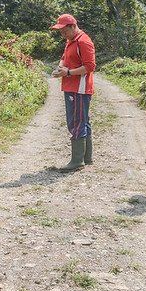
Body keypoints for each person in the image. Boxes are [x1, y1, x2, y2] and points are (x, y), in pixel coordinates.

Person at [50, 14, 96, 172]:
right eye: (60, 32)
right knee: (82, 120)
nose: (62, 34)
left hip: (79, 88)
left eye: (64, 31)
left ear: (72, 26)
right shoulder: (71, 41)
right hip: (71, 86)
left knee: (76, 122)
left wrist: (68, 72)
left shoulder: (83, 41)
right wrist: (60, 67)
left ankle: (77, 161)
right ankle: (86, 157)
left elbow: (90, 66)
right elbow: (64, 57)